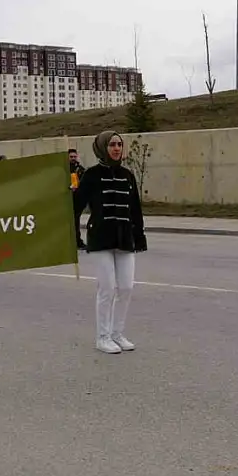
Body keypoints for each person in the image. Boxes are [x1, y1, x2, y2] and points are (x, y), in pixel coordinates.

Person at [74, 131, 147, 354]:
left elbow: (135, 209)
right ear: (103, 148)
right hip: (100, 238)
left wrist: (139, 235)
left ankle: (117, 333)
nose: (116, 148)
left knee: (126, 288)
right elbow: (75, 207)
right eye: (112, 145)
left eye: (119, 144)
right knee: (107, 288)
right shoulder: (92, 175)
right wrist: (70, 194)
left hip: (124, 237)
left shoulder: (128, 175)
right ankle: (102, 337)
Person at [69, 148, 87, 249]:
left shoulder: (80, 170)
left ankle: (77, 242)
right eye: (71, 157)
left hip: (77, 201)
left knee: (76, 221)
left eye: (74, 157)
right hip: (66, 200)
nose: (73, 159)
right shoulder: (63, 169)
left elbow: (85, 184)